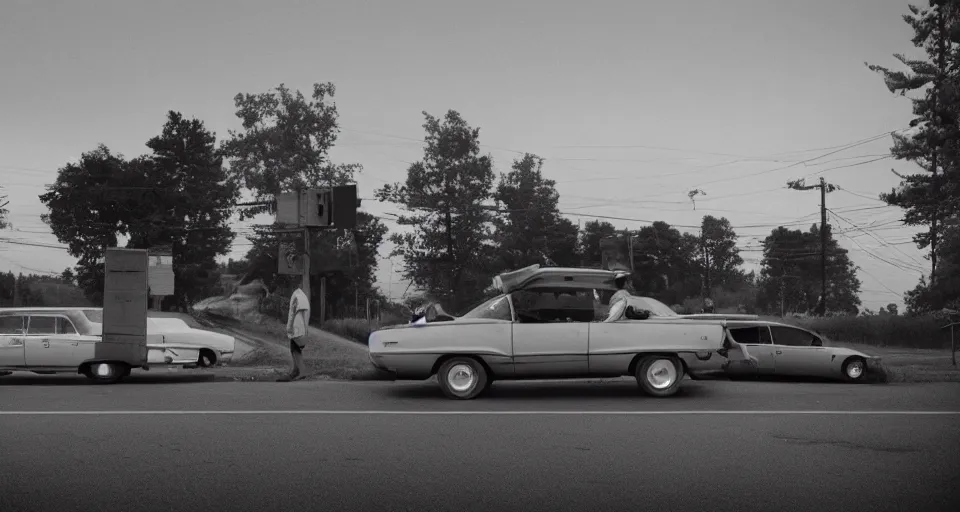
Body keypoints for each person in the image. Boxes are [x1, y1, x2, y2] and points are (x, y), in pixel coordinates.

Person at [277, 284, 310, 382]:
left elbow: (294, 312)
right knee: (294, 349)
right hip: (300, 328)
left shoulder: (297, 296)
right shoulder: (302, 296)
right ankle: (296, 370)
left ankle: (301, 372)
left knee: (295, 349)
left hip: (297, 328)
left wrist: (290, 327)